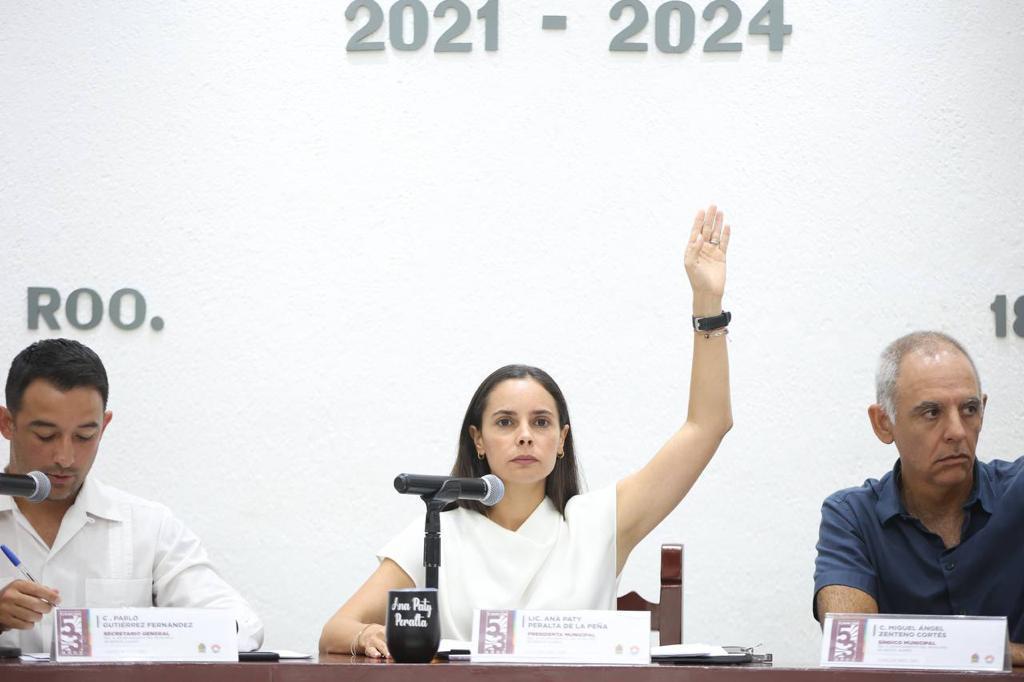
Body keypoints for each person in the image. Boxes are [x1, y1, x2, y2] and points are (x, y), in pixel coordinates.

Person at [320, 204, 734, 657]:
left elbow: (707, 425)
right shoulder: (440, 530)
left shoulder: (598, 524)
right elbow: (337, 628)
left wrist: (707, 305)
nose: (524, 435)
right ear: (478, 440)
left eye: (541, 422)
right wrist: (365, 635)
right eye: (505, 422)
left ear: (562, 441)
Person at [0, 339, 264, 652]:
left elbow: (242, 626)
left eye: (84, 436)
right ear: (7, 424)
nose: (65, 457)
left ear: (104, 426)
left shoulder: (147, 527)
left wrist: (142, 630)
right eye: (46, 435)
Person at [813, 332, 1024, 666]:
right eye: (931, 413)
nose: (957, 431)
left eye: (969, 409)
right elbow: (851, 643)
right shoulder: (853, 516)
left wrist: (912, 644)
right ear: (884, 423)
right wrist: (998, 651)